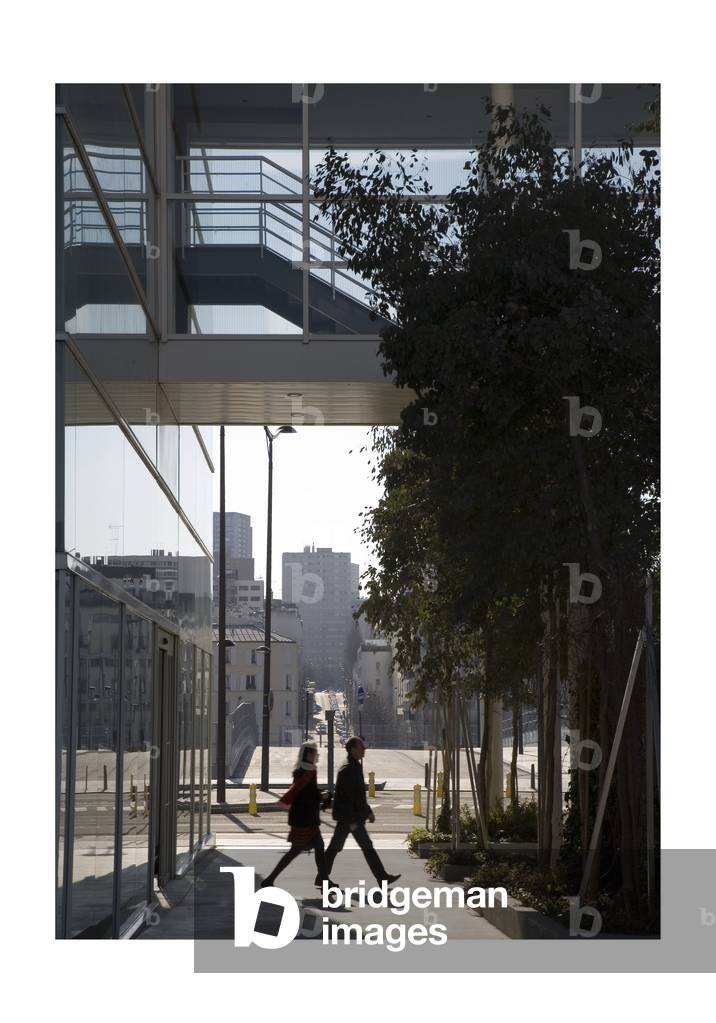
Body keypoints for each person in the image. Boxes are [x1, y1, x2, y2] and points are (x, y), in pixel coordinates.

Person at [320, 736, 401, 886]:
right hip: (349, 818)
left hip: (351, 817)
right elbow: (347, 797)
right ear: (353, 749)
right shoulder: (348, 769)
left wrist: (368, 811)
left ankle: (322, 877)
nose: (364, 749)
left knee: (338, 848)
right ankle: (382, 877)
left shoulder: (354, 766)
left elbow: (358, 795)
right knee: (356, 847)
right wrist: (352, 820)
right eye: (361, 746)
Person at [260, 742, 337, 890]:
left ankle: (324, 881)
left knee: (318, 847)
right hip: (304, 820)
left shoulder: (307, 771)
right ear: (308, 754)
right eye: (314, 753)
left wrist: (320, 794)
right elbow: (305, 796)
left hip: (308, 819)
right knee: (295, 851)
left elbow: (308, 792)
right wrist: (321, 796)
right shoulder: (304, 772)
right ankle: (269, 879)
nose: (316, 756)